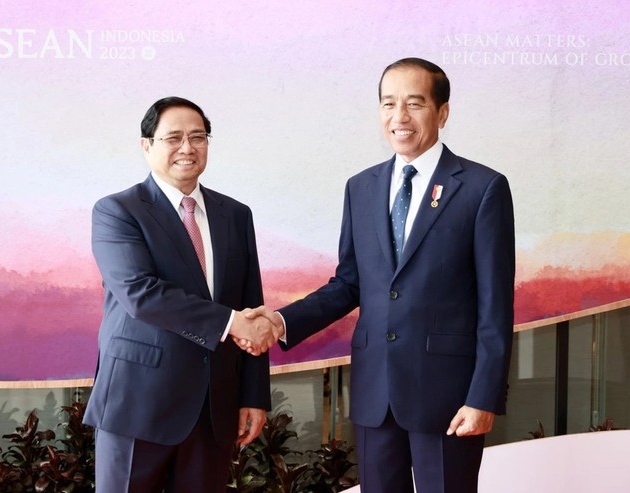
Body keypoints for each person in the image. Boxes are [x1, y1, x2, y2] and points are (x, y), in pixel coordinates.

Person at [248, 58, 515, 492]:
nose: (399, 117)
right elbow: (349, 283)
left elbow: (495, 305)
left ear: (442, 112)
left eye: (414, 103)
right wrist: (280, 321)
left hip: (448, 397)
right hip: (376, 395)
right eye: (388, 104)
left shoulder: (483, 188)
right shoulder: (361, 187)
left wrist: (482, 396)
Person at [83, 96, 279, 492]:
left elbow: (251, 306)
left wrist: (254, 396)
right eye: (173, 137)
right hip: (138, 403)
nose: (187, 148)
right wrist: (230, 322)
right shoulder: (118, 211)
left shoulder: (235, 215)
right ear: (147, 145)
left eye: (198, 137)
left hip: (213, 409)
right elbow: (140, 293)